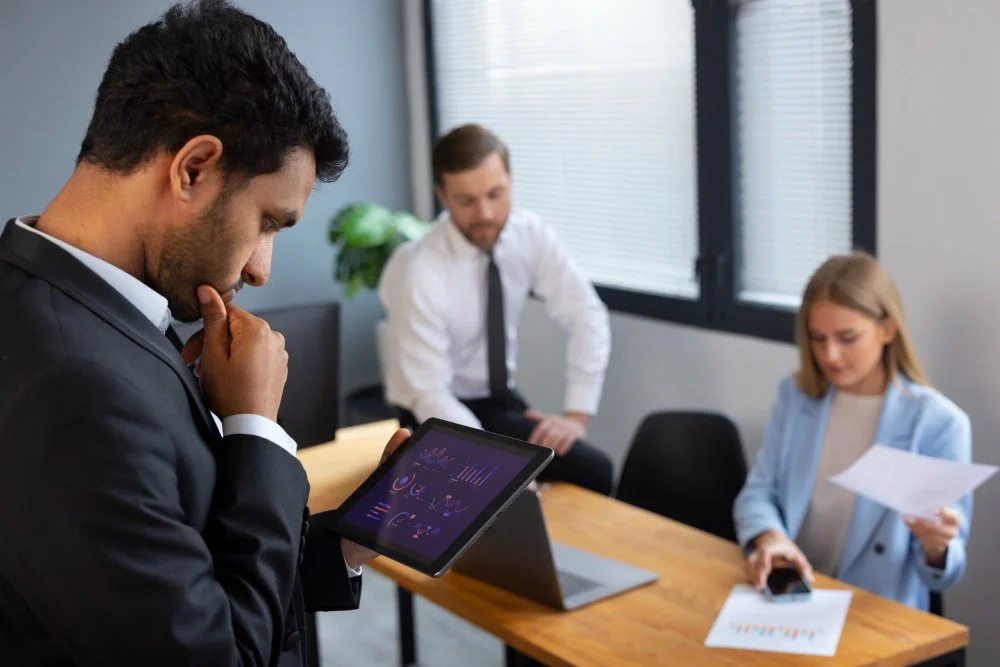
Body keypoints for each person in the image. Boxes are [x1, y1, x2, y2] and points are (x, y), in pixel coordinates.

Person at [0, 2, 408, 665]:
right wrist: (255, 429)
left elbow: (184, 575)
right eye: (269, 221)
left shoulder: (94, 306)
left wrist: (345, 544)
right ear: (192, 168)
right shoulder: (72, 388)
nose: (262, 268)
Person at [378, 124, 614, 495]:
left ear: (510, 181)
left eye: (495, 194)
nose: (485, 213)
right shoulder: (420, 269)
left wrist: (576, 415)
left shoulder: (529, 235)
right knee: (492, 498)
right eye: (466, 201)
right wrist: (489, 468)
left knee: (594, 472)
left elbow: (587, 315)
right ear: (442, 195)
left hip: (499, 399)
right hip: (434, 410)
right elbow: (430, 394)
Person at [733, 251, 972, 611]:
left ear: (887, 329)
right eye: (818, 338)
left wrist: (936, 547)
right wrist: (772, 539)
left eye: (847, 338)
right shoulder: (796, 397)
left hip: (875, 612)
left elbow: (944, 574)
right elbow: (758, 493)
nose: (830, 355)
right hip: (792, 596)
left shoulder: (939, 424)